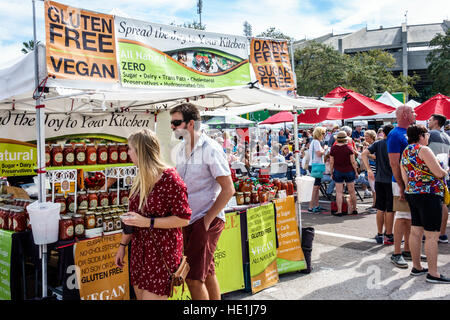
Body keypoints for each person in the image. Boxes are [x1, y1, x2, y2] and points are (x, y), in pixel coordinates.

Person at [115, 129, 192, 300]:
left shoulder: (170, 179)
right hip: (139, 253)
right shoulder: (140, 178)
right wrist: (122, 246)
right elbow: (133, 218)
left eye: (130, 149)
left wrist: (148, 222)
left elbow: (184, 218)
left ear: (141, 151)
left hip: (161, 252)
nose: (127, 153)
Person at [170, 103, 235, 300]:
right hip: (188, 220)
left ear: (190, 123)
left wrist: (206, 220)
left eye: (176, 122)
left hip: (205, 219)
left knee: (191, 278)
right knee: (207, 273)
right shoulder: (181, 149)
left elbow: (228, 189)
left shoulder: (211, 148)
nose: (172, 127)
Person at [401, 124, 450, 283]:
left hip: (413, 193)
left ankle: (417, 267)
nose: (428, 137)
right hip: (429, 194)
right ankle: (433, 273)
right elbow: (438, 173)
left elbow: (405, 176)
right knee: (432, 235)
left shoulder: (406, 151)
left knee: (416, 231)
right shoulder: (424, 150)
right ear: (421, 135)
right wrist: (446, 169)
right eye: (427, 134)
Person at [387, 105, 416, 268]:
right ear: (405, 114)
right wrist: (400, 184)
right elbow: (394, 162)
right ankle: (396, 252)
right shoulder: (395, 134)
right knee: (402, 216)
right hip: (400, 182)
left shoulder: (406, 133)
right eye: (412, 111)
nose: (415, 113)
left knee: (409, 217)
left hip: (408, 182)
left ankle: (407, 249)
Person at [362, 124, 395, 245]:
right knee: (390, 209)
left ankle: (380, 234)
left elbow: (363, 154)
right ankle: (389, 234)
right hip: (392, 180)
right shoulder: (394, 143)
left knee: (380, 208)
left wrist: (369, 169)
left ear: (384, 133)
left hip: (380, 179)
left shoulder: (379, 143)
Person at [427, 114, 450, 243]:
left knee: (430, 205)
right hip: (444, 173)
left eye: (430, 120)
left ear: (436, 122)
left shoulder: (430, 135)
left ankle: (431, 233)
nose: (428, 122)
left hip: (431, 173)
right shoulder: (447, 137)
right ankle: (442, 234)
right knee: (443, 204)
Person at [329, 131, 359, 216]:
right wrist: (356, 172)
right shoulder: (349, 148)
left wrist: (331, 172)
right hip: (349, 171)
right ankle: (354, 209)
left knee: (339, 192)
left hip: (338, 171)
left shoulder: (333, 148)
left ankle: (339, 211)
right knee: (352, 191)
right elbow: (353, 162)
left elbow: (331, 162)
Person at [308, 127, 328, 213]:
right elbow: (319, 154)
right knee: (315, 187)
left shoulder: (315, 142)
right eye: (323, 133)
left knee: (317, 186)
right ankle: (311, 206)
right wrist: (325, 149)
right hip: (315, 166)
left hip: (315, 165)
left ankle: (316, 205)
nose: (324, 135)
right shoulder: (316, 142)